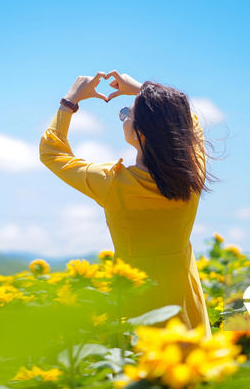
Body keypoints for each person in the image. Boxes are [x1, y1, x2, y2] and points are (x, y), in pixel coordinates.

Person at [39, 70, 214, 340]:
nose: (123, 118)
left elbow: (52, 153)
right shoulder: (192, 174)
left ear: (140, 132)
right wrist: (143, 92)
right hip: (186, 299)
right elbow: (187, 122)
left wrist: (70, 101)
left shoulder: (113, 184)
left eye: (126, 114)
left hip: (136, 300)